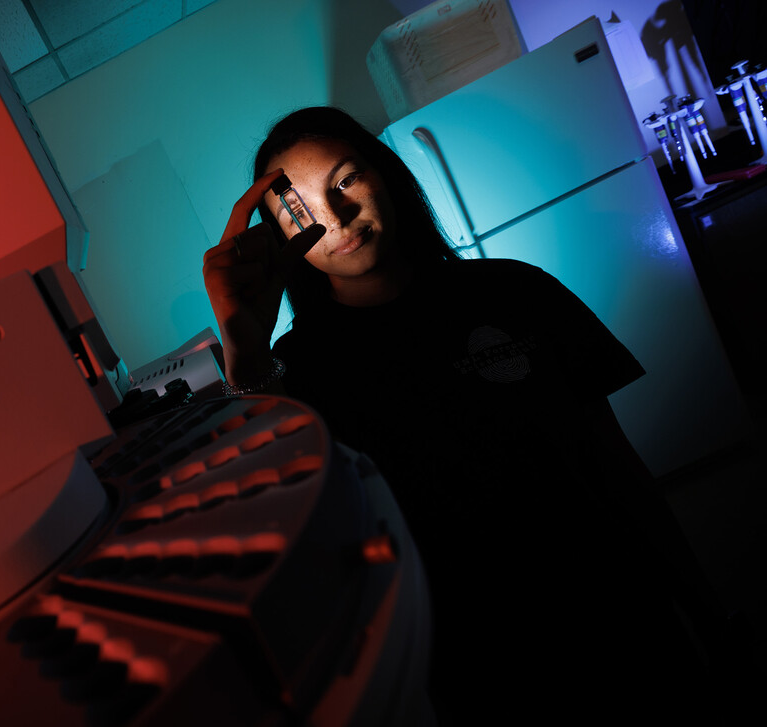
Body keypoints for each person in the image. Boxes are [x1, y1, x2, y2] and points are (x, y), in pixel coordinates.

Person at [202, 107, 733, 724]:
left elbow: (616, 467)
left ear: (386, 176)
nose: (336, 216)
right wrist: (244, 348)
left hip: (620, 616)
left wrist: (708, 614)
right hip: (470, 670)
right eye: (299, 207)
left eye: (346, 181)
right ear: (278, 236)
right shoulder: (293, 372)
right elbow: (276, 515)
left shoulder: (516, 291)